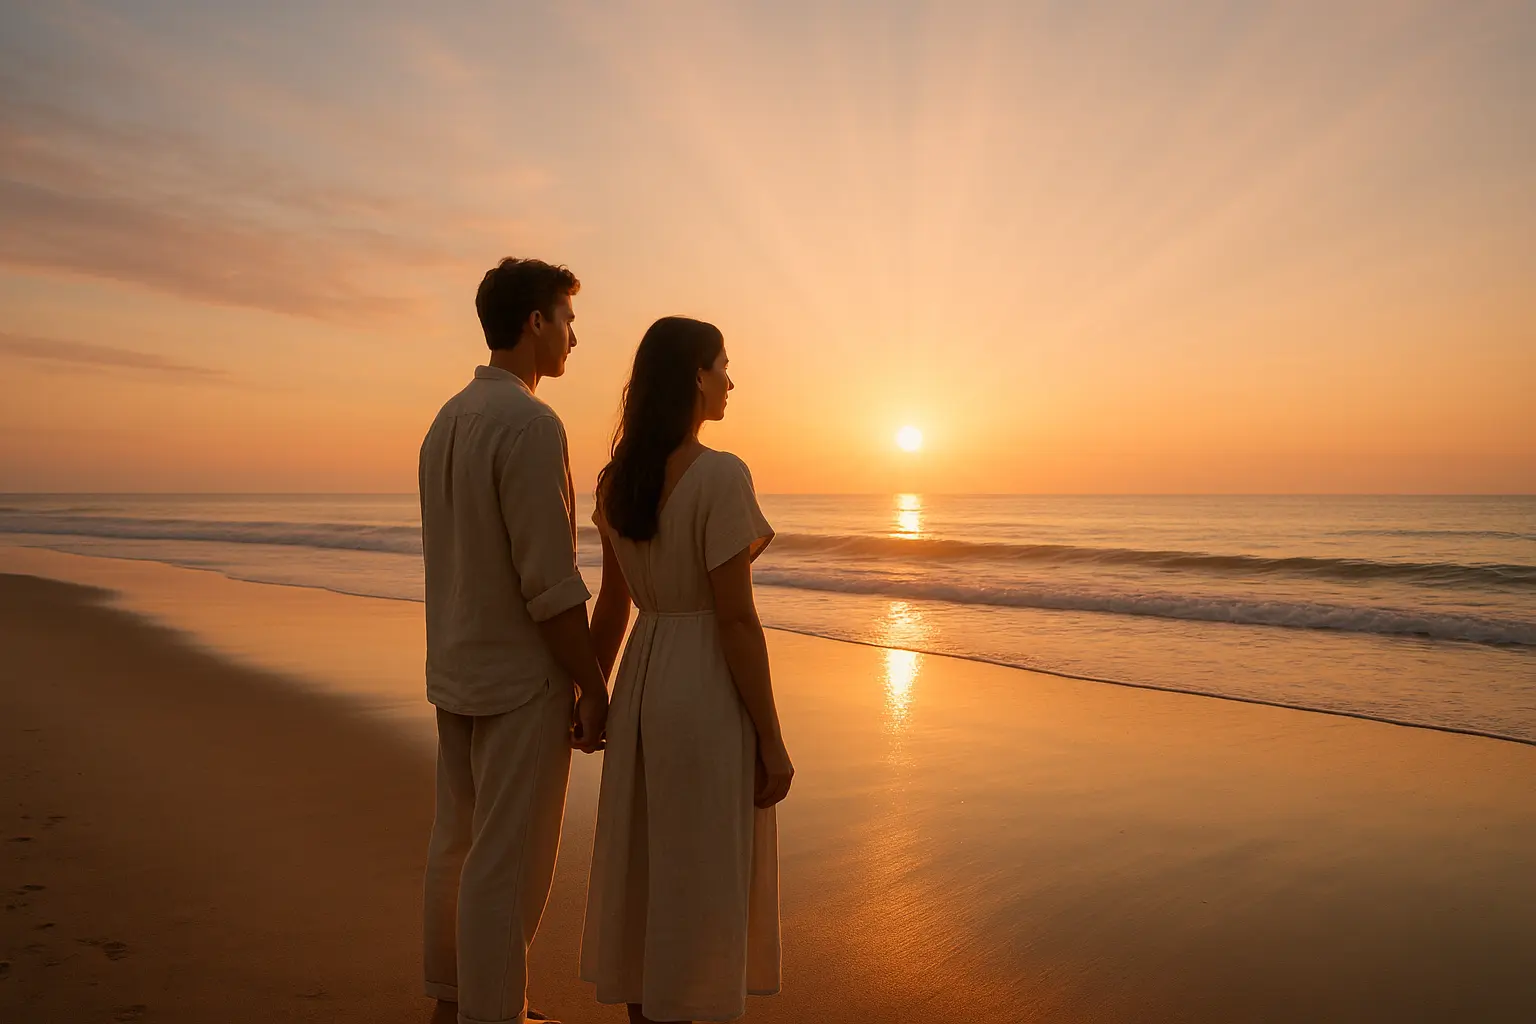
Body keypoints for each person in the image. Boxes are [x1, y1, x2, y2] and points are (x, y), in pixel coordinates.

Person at [580, 316, 793, 1024]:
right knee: (704, 867)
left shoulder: (618, 481)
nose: (732, 380)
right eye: (723, 365)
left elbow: (613, 602)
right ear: (695, 377)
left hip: (644, 675)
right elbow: (734, 618)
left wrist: (594, 690)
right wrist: (772, 738)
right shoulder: (721, 475)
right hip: (703, 685)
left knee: (648, 862)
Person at [419, 258, 609, 1024]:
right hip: (518, 678)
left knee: (458, 846)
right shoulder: (530, 424)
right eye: (566, 319)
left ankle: (454, 996)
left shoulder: (447, 419)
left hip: (456, 664)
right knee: (510, 861)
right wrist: (592, 684)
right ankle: (492, 1012)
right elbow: (549, 581)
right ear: (534, 323)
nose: (574, 336)